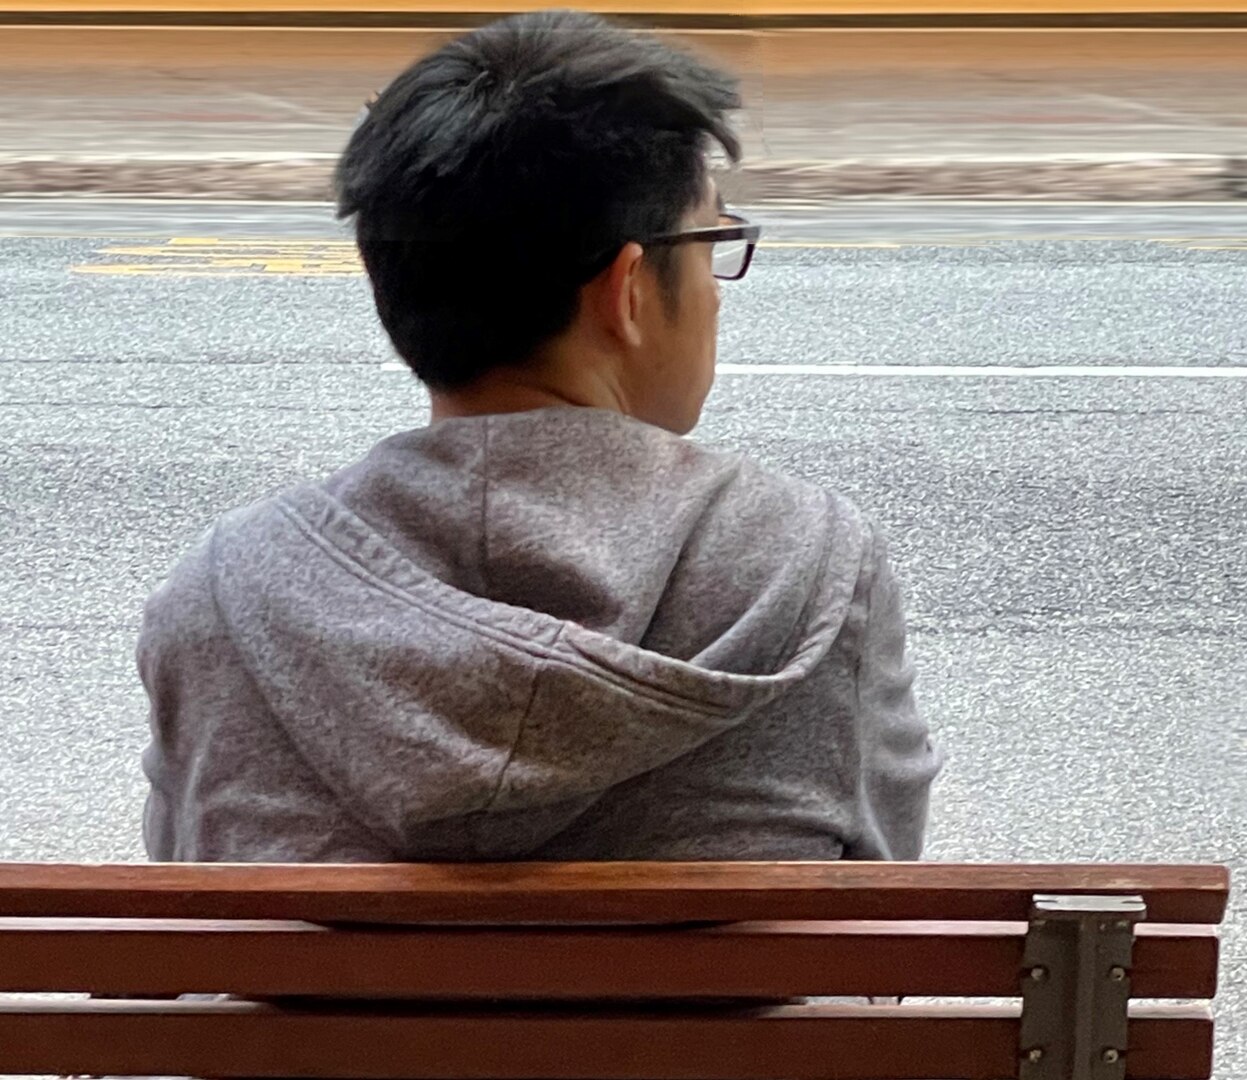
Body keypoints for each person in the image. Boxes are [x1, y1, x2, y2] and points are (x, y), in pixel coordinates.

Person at [137, 9, 942, 865]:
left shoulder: (223, 589)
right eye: (714, 244)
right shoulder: (813, 565)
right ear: (628, 289)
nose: (715, 293)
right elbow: (878, 879)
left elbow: (192, 894)